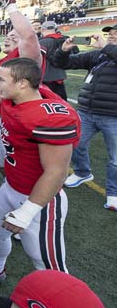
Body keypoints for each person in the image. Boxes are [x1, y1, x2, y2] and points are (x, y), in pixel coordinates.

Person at [0, 57, 80, 280]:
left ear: (23, 83)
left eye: (1, 79)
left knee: (46, 263)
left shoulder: (48, 118)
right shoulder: (16, 98)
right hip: (11, 186)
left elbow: (57, 172)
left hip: (40, 199)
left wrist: (26, 213)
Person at [52, 26, 117, 211]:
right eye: (109, 34)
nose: (111, 36)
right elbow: (64, 63)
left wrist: (105, 47)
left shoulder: (105, 51)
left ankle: (114, 192)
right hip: (88, 111)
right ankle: (82, 172)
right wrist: (63, 50)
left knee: (115, 158)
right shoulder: (98, 56)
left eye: (115, 34)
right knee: (76, 144)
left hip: (113, 116)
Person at [38, 21, 76, 100]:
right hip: (60, 77)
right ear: (56, 29)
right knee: (62, 104)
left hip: (45, 78)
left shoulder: (42, 42)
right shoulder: (66, 40)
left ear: (42, 30)